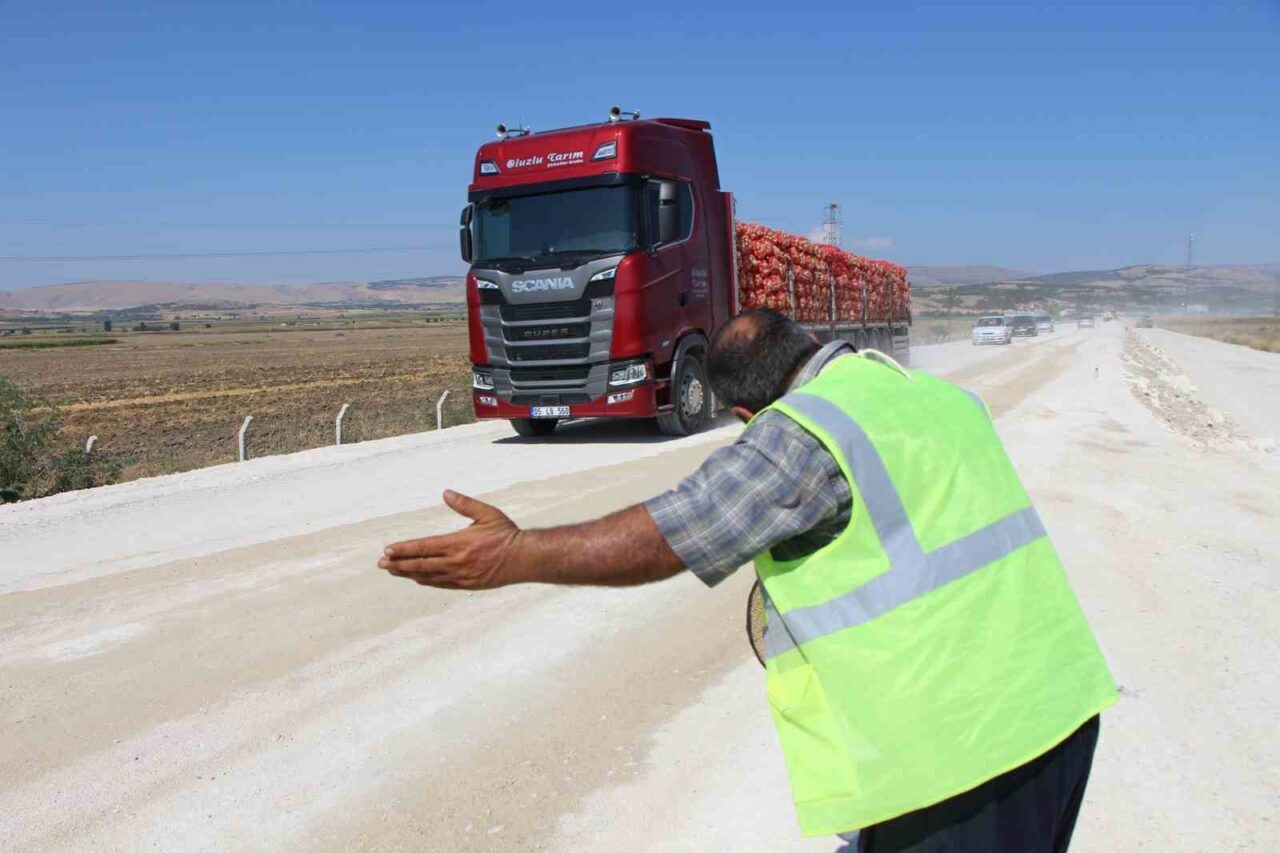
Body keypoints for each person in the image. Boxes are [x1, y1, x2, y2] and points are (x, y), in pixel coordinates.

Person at [378, 309, 1118, 852]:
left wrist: (514, 555)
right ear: (809, 341)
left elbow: (675, 532)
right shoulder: (925, 393)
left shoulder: (800, 431)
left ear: (743, 413)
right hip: (1060, 707)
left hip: (962, 756)